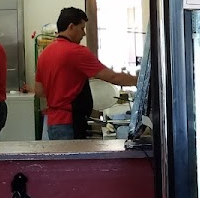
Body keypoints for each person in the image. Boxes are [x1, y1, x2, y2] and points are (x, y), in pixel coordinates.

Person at [35, 7, 138, 140]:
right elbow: (113, 77)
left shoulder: (45, 54)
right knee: (74, 155)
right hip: (70, 123)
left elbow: (39, 91)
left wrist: (60, 94)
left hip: (53, 122)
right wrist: (141, 81)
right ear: (71, 27)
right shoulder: (77, 52)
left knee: (61, 154)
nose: (83, 34)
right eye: (82, 28)